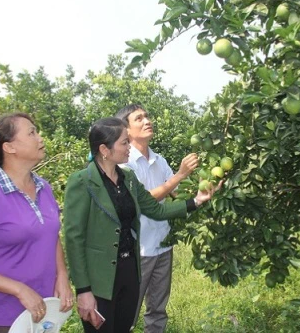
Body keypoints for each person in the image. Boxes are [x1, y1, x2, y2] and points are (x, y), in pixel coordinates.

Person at [64, 117, 221, 333]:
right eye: (124, 143)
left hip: (130, 270)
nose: (129, 147)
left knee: (123, 327)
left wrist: (195, 201)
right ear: (104, 149)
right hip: (100, 277)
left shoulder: (128, 178)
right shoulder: (81, 182)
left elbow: (156, 210)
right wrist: (83, 290)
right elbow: (74, 239)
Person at [0, 113, 74, 333]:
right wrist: (19, 290)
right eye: (31, 132)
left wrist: (62, 276)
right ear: (9, 147)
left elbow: (50, 235)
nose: (40, 138)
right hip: (5, 315)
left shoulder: (44, 188)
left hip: (46, 309)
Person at [115, 104, 198, 332]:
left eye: (147, 116)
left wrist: (202, 194)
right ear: (126, 129)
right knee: (128, 311)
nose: (146, 121)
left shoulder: (158, 159)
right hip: (137, 249)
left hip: (162, 244)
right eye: (138, 118)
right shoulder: (124, 162)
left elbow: (176, 192)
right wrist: (181, 174)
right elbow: (144, 200)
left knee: (158, 310)